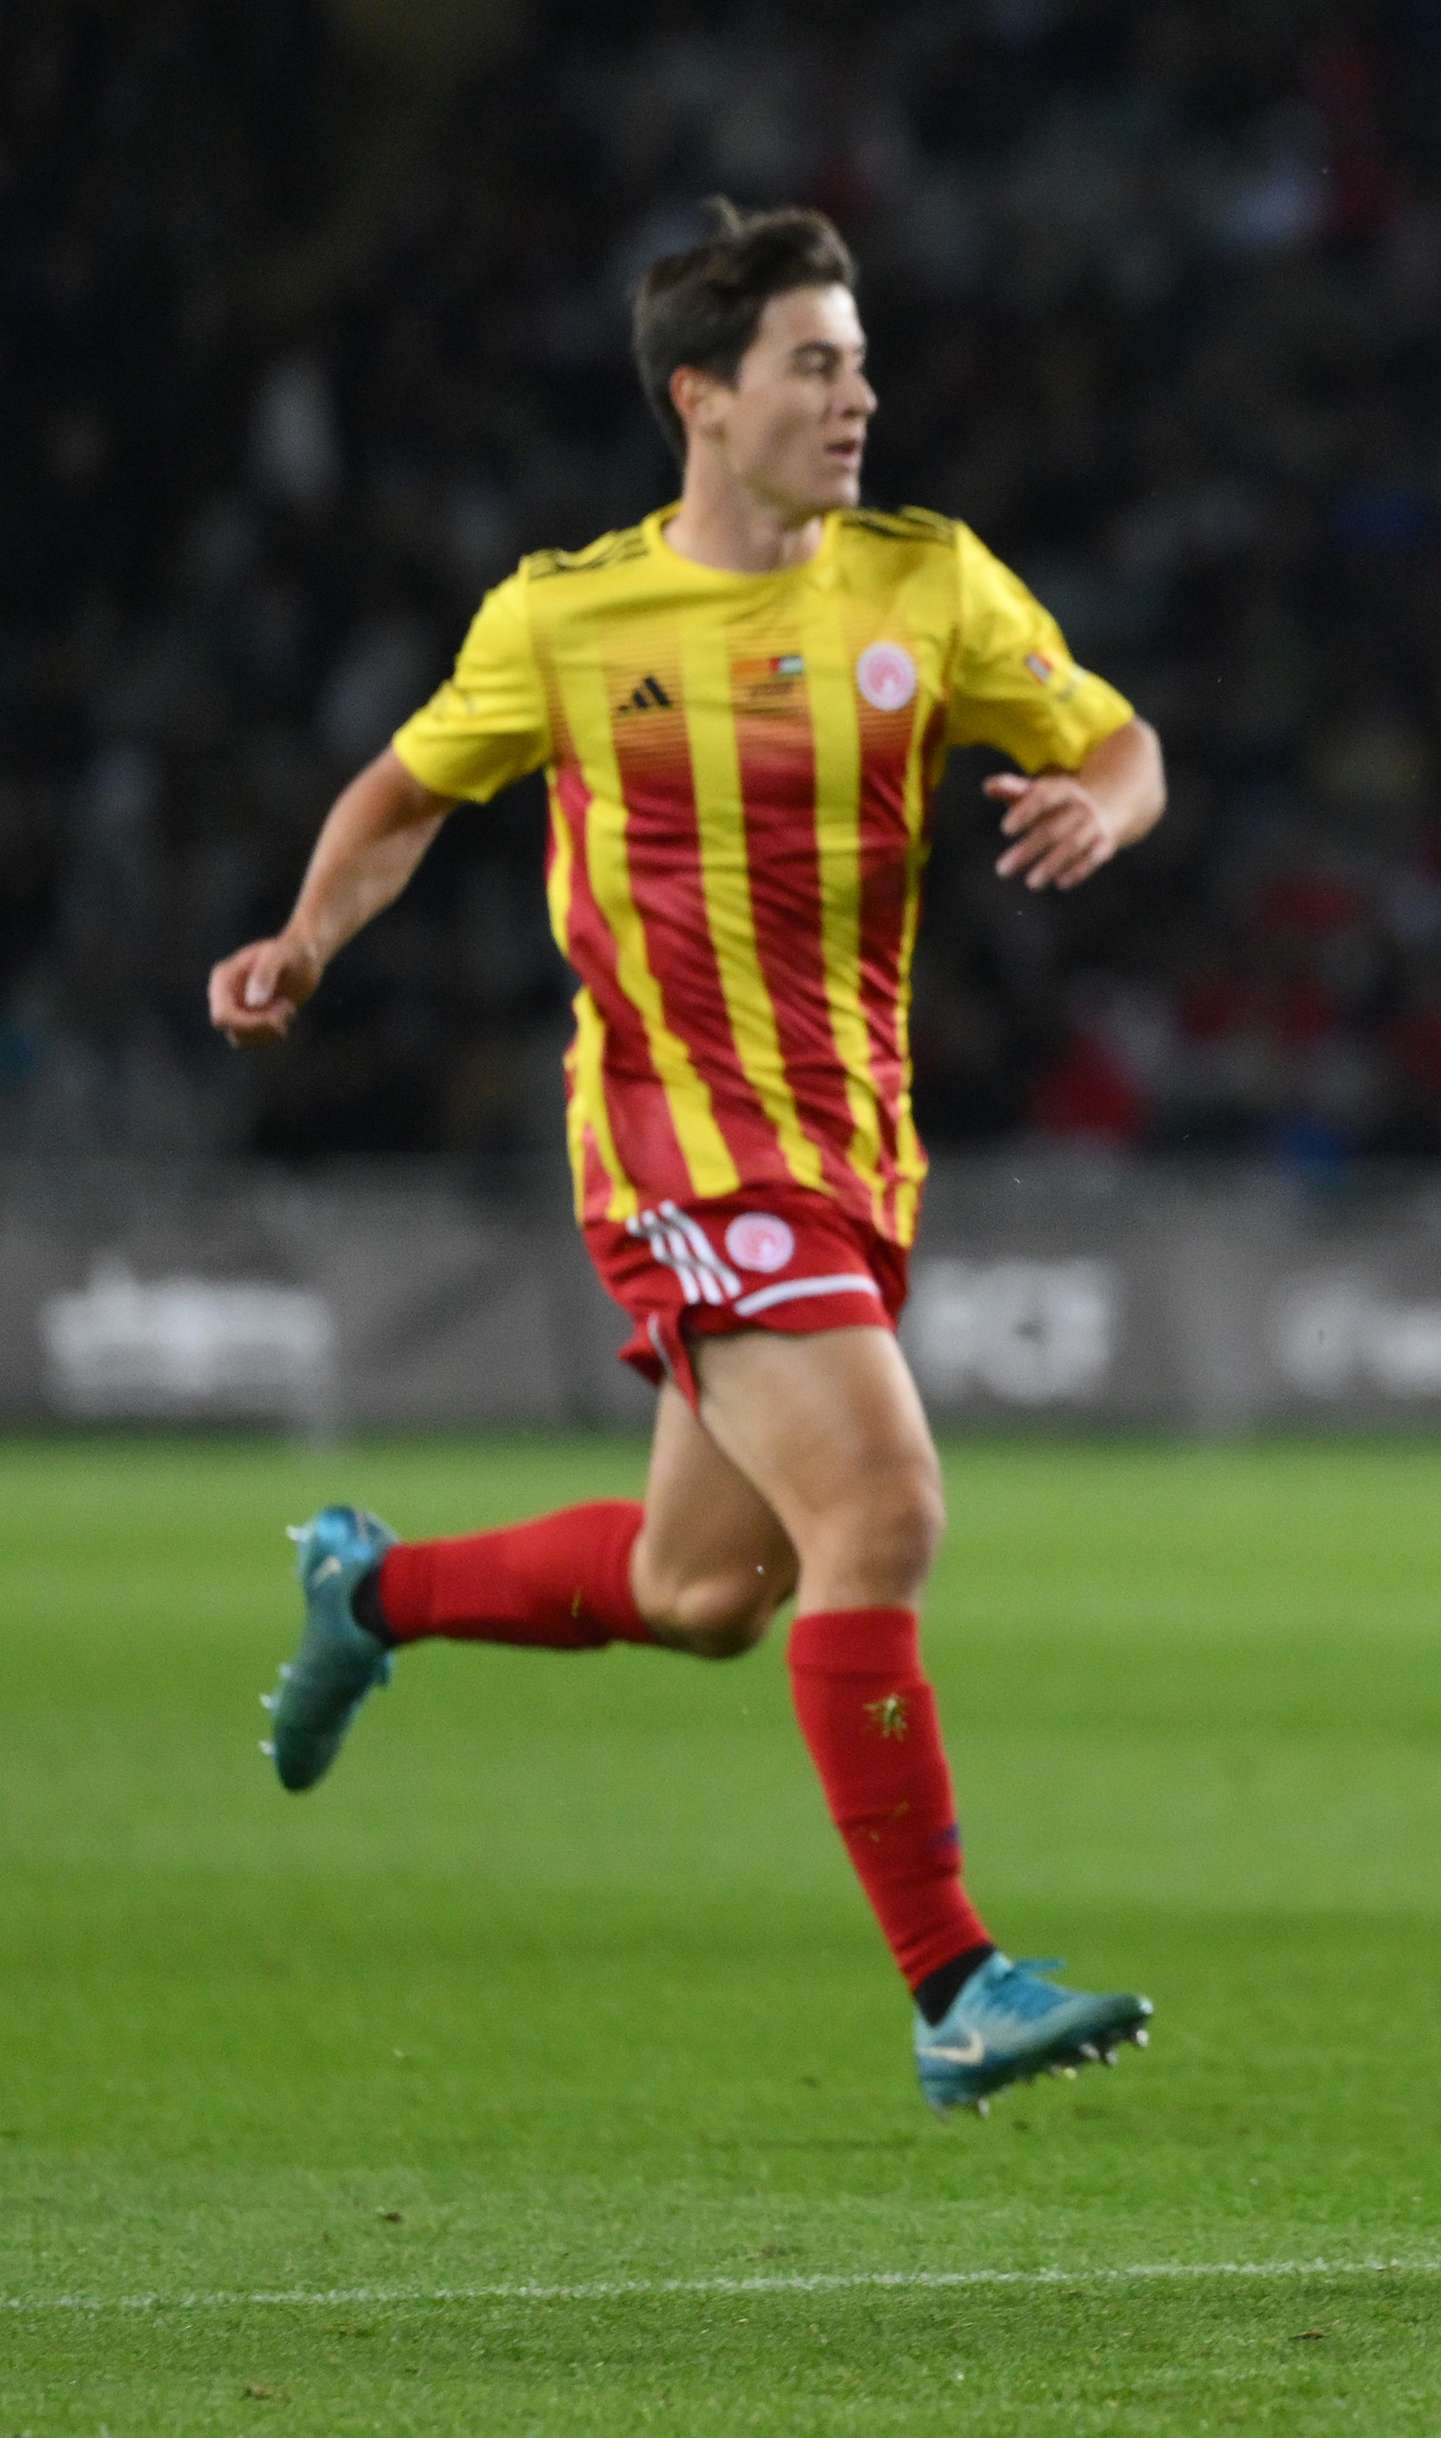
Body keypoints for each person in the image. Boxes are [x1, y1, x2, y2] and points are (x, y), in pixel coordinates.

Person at [207, 201, 1169, 2116]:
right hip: (675, 1148)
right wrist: (308, 933)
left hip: (853, 1153)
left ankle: (369, 1593)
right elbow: (402, 798)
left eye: (862, 362)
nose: (857, 398)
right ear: (701, 400)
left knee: (702, 1589)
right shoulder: (571, 619)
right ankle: (953, 1979)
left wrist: (1100, 807)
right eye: (816, 365)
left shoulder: (928, 586)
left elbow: (1128, 738)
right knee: (881, 1508)